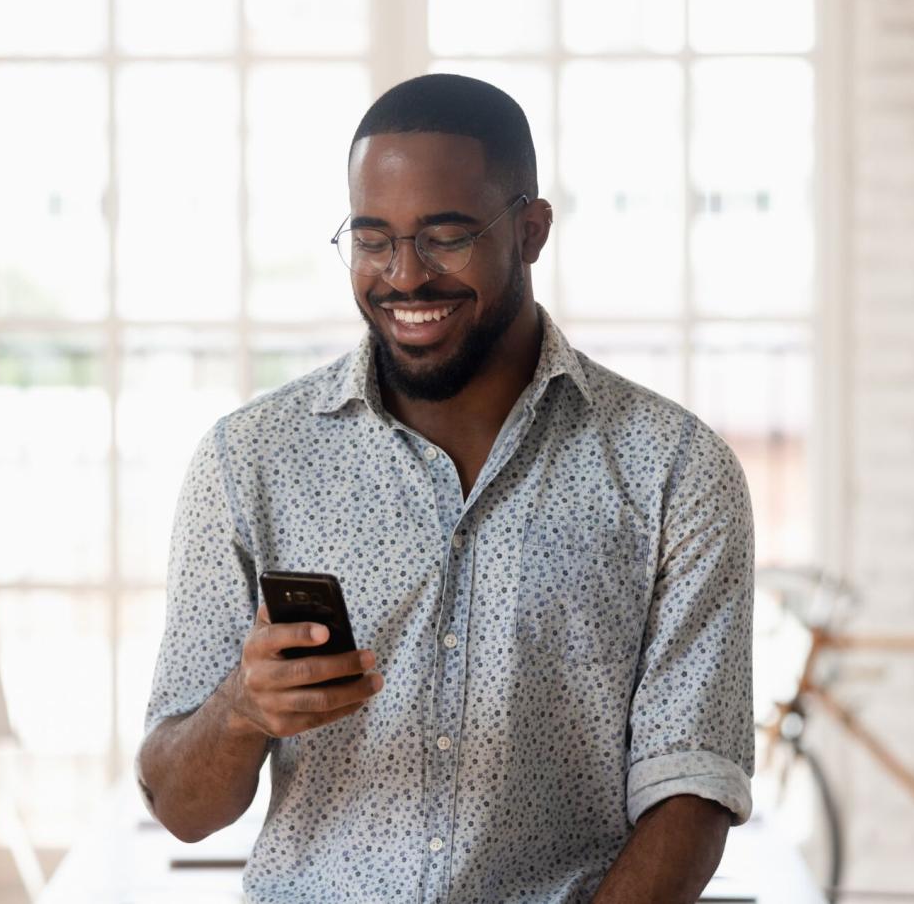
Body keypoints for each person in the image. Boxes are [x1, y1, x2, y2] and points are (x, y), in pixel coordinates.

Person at [137, 73, 755, 903]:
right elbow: (180, 805)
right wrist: (241, 710)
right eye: (372, 237)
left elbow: (692, 788)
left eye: (446, 236)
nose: (404, 276)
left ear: (531, 230)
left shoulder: (673, 468)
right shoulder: (250, 460)